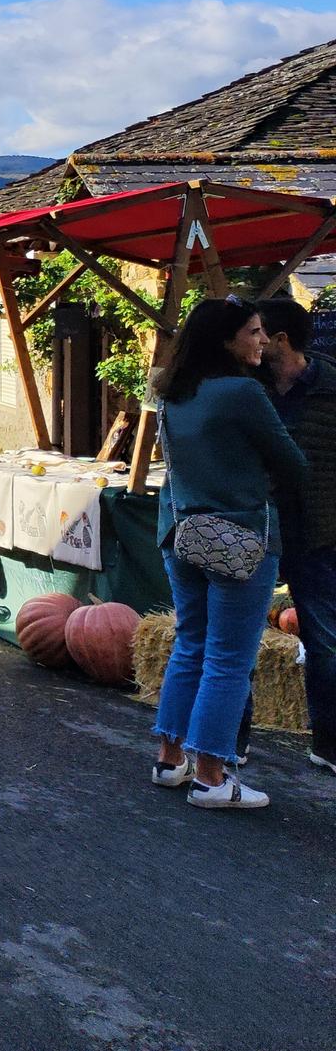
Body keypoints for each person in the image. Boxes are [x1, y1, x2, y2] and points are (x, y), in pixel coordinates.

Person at [150, 297, 307, 808]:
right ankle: (213, 778)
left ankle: (170, 760)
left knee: (189, 643)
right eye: (254, 331)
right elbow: (292, 463)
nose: (263, 339)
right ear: (226, 340)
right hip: (241, 538)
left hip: (182, 533)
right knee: (229, 658)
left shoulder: (172, 392)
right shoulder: (242, 392)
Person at [255, 296, 336, 775]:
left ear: (280, 339)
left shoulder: (330, 385)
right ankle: (229, 742)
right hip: (259, 529)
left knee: (324, 641)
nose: (256, 340)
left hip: (317, 533)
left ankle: (327, 743)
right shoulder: (249, 387)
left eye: (261, 332)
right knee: (235, 636)